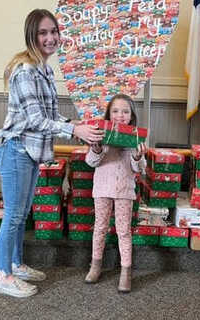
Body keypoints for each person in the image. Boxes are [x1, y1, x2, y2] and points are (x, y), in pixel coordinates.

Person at [0, 9, 103, 298]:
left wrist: (75, 124)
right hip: (15, 149)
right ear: (32, 35)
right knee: (14, 215)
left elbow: (50, 115)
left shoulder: (45, 69)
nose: (51, 37)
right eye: (43, 32)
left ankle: (15, 264)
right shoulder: (26, 70)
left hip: (29, 152)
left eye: (54, 31)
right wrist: (74, 132)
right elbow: (34, 121)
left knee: (22, 213)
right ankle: (3, 275)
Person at [84, 94, 147, 293]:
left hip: (124, 190)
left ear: (131, 115)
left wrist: (137, 156)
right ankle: (95, 266)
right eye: (115, 111)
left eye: (125, 111)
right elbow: (90, 162)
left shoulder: (136, 137)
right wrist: (97, 149)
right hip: (102, 188)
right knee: (100, 227)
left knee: (123, 231)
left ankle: (126, 272)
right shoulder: (100, 134)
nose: (120, 115)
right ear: (109, 114)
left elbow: (140, 169)